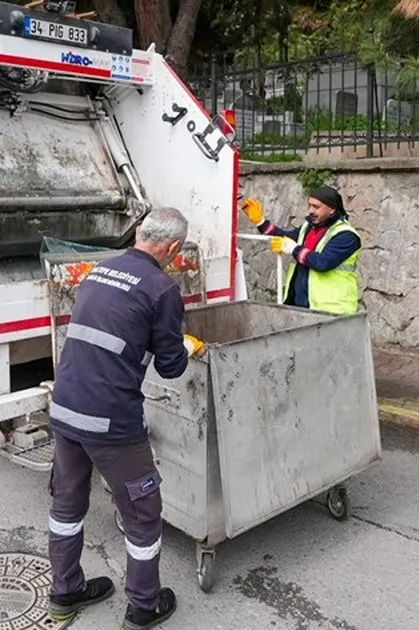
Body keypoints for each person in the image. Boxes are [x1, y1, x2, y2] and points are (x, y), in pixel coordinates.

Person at [45, 206, 205, 629]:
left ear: (139, 233)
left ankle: (64, 592)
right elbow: (170, 367)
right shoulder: (162, 289)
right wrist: (186, 346)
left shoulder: (98, 271)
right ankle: (143, 606)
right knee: (143, 512)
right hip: (110, 420)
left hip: (65, 405)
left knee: (67, 502)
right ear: (173, 247)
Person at [242, 185, 362, 315]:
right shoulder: (308, 228)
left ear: (332, 209)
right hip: (301, 305)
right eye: (309, 205)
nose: (310, 210)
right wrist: (260, 222)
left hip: (332, 309)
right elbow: (284, 238)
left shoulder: (346, 236)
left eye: (316, 207)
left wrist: (293, 248)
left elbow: (322, 262)